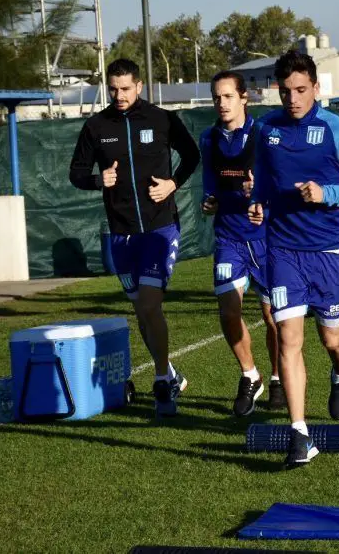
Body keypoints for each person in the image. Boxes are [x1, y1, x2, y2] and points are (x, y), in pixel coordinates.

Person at [248, 50, 339, 468]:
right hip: (283, 250)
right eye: (285, 91)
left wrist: (328, 195)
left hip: (327, 251)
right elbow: (264, 181)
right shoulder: (266, 129)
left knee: (331, 340)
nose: (292, 98)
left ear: (316, 89)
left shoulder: (336, 130)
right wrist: (257, 203)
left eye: (301, 90)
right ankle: (299, 435)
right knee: (288, 338)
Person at [69, 58, 200, 417]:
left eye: (125, 88)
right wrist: (99, 181)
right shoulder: (96, 126)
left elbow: (192, 155)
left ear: (139, 86)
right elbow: (76, 173)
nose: (119, 95)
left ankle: (160, 380)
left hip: (160, 228)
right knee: (140, 311)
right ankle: (171, 372)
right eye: (113, 89)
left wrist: (174, 183)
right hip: (121, 234)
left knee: (148, 304)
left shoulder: (161, 119)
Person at [198, 70, 284, 416]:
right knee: (228, 311)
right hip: (228, 237)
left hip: (267, 239)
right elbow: (209, 185)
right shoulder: (208, 139)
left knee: (273, 316)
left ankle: (278, 378)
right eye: (217, 97)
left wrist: (261, 196)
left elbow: (280, 181)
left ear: (244, 98)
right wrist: (210, 202)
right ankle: (250, 374)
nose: (222, 103)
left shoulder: (264, 134)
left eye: (228, 96)